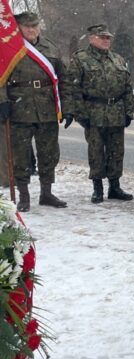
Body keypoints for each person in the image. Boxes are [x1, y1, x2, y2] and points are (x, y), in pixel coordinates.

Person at [0, 12, 67, 212]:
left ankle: (46, 193)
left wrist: (68, 107)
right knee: (20, 154)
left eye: (34, 26)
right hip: (19, 108)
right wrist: (2, 101)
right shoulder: (10, 48)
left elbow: (63, 78)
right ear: (19, 28)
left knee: (49, 153)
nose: (31, 30)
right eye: (27, 26)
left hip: (47, 108)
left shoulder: (50, 47)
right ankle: (24, 195)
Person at [62, 24, 134, 204]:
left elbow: (127, 88)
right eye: (102, 37)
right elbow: (74, 88)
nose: (106, 40)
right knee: (96, 152)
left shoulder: (117, 59)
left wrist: (129, 111)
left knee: (116, 151)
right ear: (91, 38)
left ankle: (115, 187)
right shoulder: (81, 59)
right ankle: (97, 188)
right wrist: (80, 113)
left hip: (116, 112)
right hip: (94, 112)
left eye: (108, 37)